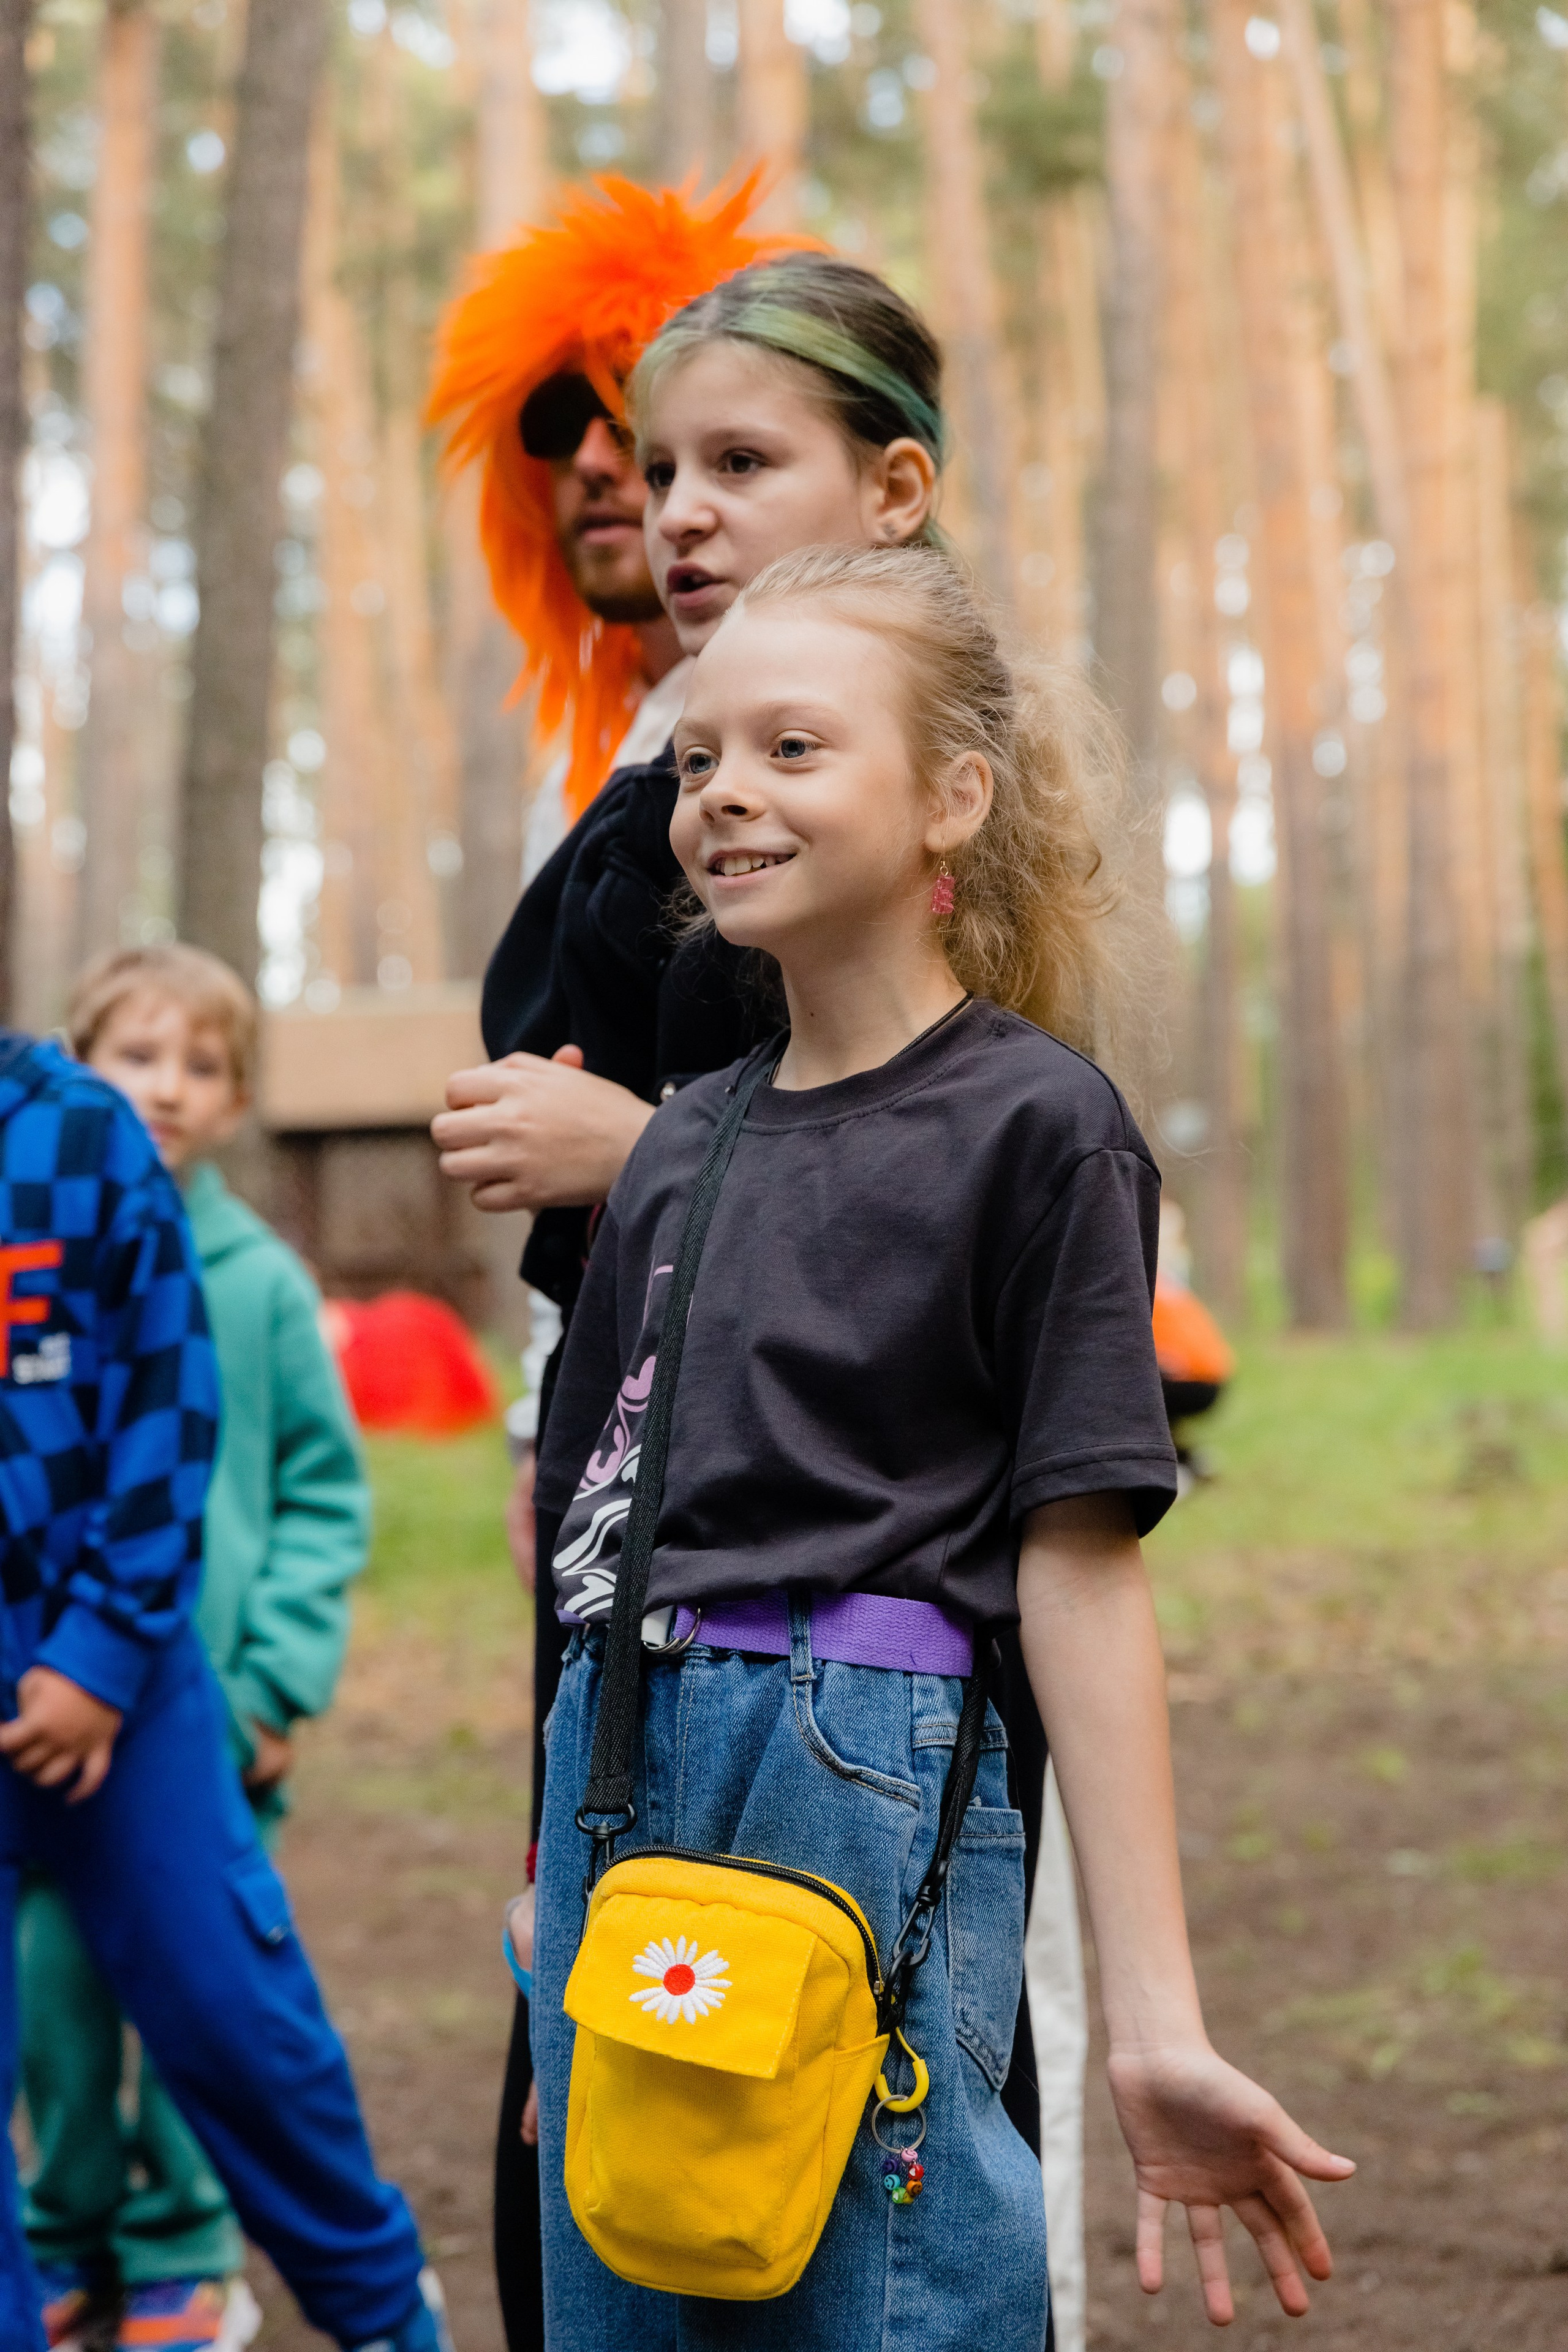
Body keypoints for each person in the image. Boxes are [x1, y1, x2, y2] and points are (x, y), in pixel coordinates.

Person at [529, 543, 1354, 2347]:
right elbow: (595, 1521)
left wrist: (1154, 2022)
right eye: (700, 758)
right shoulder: (677, 1150)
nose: (726, 790)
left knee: (880, 2303)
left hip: (863, 1769)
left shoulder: (1040, 1132)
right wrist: (547, 1882)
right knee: (635, 2283)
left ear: (950, 801)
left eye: (795, 748)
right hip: (620, 1772)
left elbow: (1079, 1569)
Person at [434, 247, 1088, 2339]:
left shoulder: (881, 837)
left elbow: (929, 1211)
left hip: (868, 1678)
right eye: (655, 464)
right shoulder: (692, 795)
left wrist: (634, 1159)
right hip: (642, 1613)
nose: (676, 507)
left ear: (895, 488)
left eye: (740, 459)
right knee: (623, 2148)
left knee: (870, 2164)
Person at [424, 175, 804, 2345]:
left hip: (829, 1593)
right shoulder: (639, 771)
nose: (613, 473)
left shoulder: (841, 786)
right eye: (581, 427)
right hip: (616, 1547)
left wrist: (632, 1156)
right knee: (593, 2080)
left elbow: (949, 1169)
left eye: (686, 443)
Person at [0, 1026, 452, 2352]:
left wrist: (99, 1655)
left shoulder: (78, 1137)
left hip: (116, 1686)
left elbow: (165, 1409)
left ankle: (383, 2313)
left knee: (240, 2025)